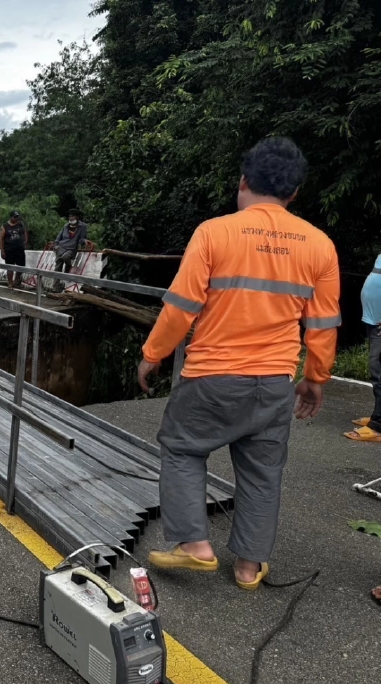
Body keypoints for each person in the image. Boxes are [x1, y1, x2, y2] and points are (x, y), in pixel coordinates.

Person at [137, 137, 340, 591]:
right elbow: (323, 324)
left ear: (243, 180)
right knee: (263, 473)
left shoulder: (215, 232)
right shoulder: (319, 245)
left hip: (212, 376)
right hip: (274, 382)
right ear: (295, 193)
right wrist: (315, 379)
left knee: (183, 448)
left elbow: (181, 308)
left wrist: (153, 355)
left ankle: (193, 544)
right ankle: (249, 567)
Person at [345, 254, 381, 442]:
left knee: (379, 373)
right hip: (374, 320)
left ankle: (379, 426)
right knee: (377, 373)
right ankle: (378, 415)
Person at [52, 209, 89, 290]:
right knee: (57, 267)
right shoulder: (66, 225)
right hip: (61, 247)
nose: (70, 218)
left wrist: (84, 241)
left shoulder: (82, 226)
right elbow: (59, 237)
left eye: (72, 216)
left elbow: (81, 239)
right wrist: (56, 245)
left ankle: (68, 267)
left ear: (77, 217)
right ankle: (55, 288)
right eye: (69, 216)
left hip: (71, 248)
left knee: (65, 257)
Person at [0, 210, 28, 289]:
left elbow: (24, 232)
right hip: (9, 249)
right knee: (10, 267)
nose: (16, 218)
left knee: (21, 266)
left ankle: (16, 280)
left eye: (17, 217)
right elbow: (1, 239)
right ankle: (10, 283)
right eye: (14, 217)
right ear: (11, 217)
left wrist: (25, 242)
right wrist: (2, 250)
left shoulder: (20, 224)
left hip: (19, 249)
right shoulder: (5, 226)